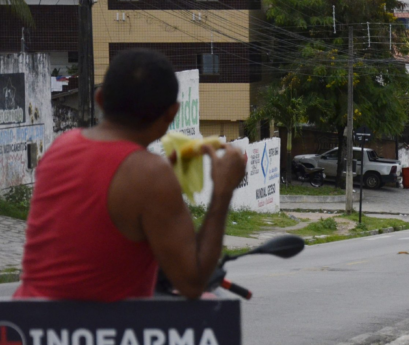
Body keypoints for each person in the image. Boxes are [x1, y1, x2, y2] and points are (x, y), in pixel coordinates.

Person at [13, 49, 247, 301]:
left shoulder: (60, 146)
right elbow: (192, 282)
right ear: (172, 113)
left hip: (29, 326)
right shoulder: (151, 174)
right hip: (96, 333)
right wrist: (223, 192)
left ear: (100, 99)